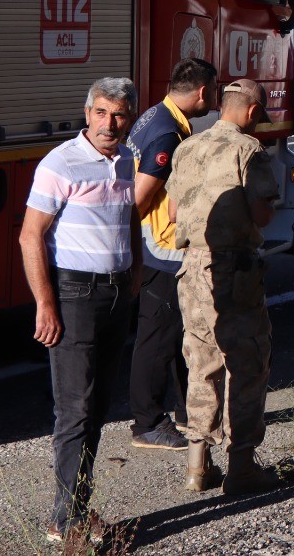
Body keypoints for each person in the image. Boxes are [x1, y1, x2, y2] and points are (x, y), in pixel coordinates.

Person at [18, 77, 140, 546]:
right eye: (102, 113)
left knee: (99, 409)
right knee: (74, 411)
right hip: (74, 295)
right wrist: (45, 304)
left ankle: (77, 508)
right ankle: (64, 522)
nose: (110, 124)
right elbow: (31, 236)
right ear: (87, 113)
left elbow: (130, 215)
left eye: (120, 115)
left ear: (130, 117)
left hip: (114, 296)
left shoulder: (127, 158)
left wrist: (135, 269)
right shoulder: (60, 163)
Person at [170, 79, 282, 496]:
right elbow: (262, 214)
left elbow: (173, 208)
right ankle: (242, 468)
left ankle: (197, 466)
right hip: (234, 269)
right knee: (246, 363)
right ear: (252, 112)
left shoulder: (187, 147)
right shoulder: (249, 150)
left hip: (192, 267)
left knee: (201, 361)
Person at [127, 57, 218, 452]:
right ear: (201, 92)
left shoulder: (155, 115)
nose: (212, 101)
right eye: (212, 93)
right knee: (157, 337)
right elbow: (140, 199)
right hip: (162, 249)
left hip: (154, 246)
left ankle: (186, 410)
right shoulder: (168, 136)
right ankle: (147, 422)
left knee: (177, 333)